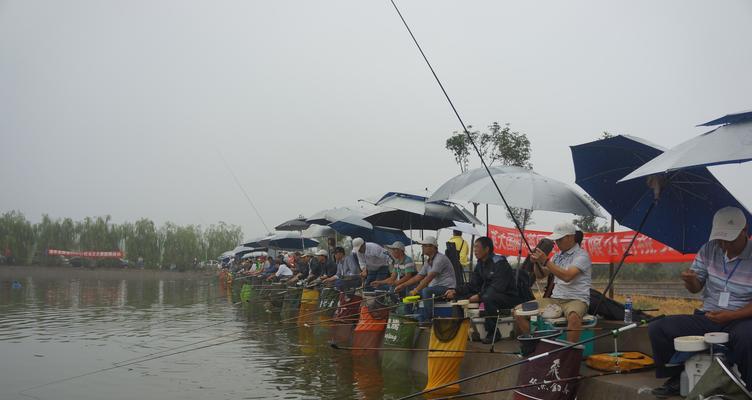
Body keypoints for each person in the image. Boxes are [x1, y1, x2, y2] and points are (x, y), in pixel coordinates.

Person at [649, 206, 752, 396]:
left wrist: (732, 315)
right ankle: (678, 377)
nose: (724, 244)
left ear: (745, 231)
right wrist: (691, 280)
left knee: (748, 338)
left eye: (729, 239)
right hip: (709, 316)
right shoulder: (709, 249)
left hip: (741, 318)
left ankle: (746, 387)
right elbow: (696, 288)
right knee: (658, 328)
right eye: (720, 239)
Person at [516, 221, 592, 343]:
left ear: (570, 237)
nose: (557, 243)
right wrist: (536, 262)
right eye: (556, 240)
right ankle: (533, 345)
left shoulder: (582, 256)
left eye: (559, 239)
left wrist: (545, 261)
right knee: (518, 311)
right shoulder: (557, 255)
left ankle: (569, 353)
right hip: (555, 299)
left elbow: (567, 276)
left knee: (573, 318)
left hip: (576, 299)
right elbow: (541, 275)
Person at [446, 236, 524, 344]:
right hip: (490, 294)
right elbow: (473, 285)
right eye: (474, 247)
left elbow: (498, 287)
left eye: (477, 247)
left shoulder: (499, 263)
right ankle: (460, 329)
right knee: (459, 298)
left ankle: (493, 333)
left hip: (508, 297)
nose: (475, 250)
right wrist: (456, 291)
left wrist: (479, 296)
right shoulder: (480, 264)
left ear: (487, 249)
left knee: (487, 298)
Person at [395, 236, 457, 324]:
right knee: (409, 290)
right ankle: (408, 317)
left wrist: (416, 290)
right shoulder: (428, 261)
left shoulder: (440, 259)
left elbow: (429, 278)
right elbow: (419, 276)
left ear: (432, 247)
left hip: (447, 288)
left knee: (426, 291)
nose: (422, 247)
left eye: (424, 246)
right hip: (435, 287)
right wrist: (402, 285)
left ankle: (429, 319)